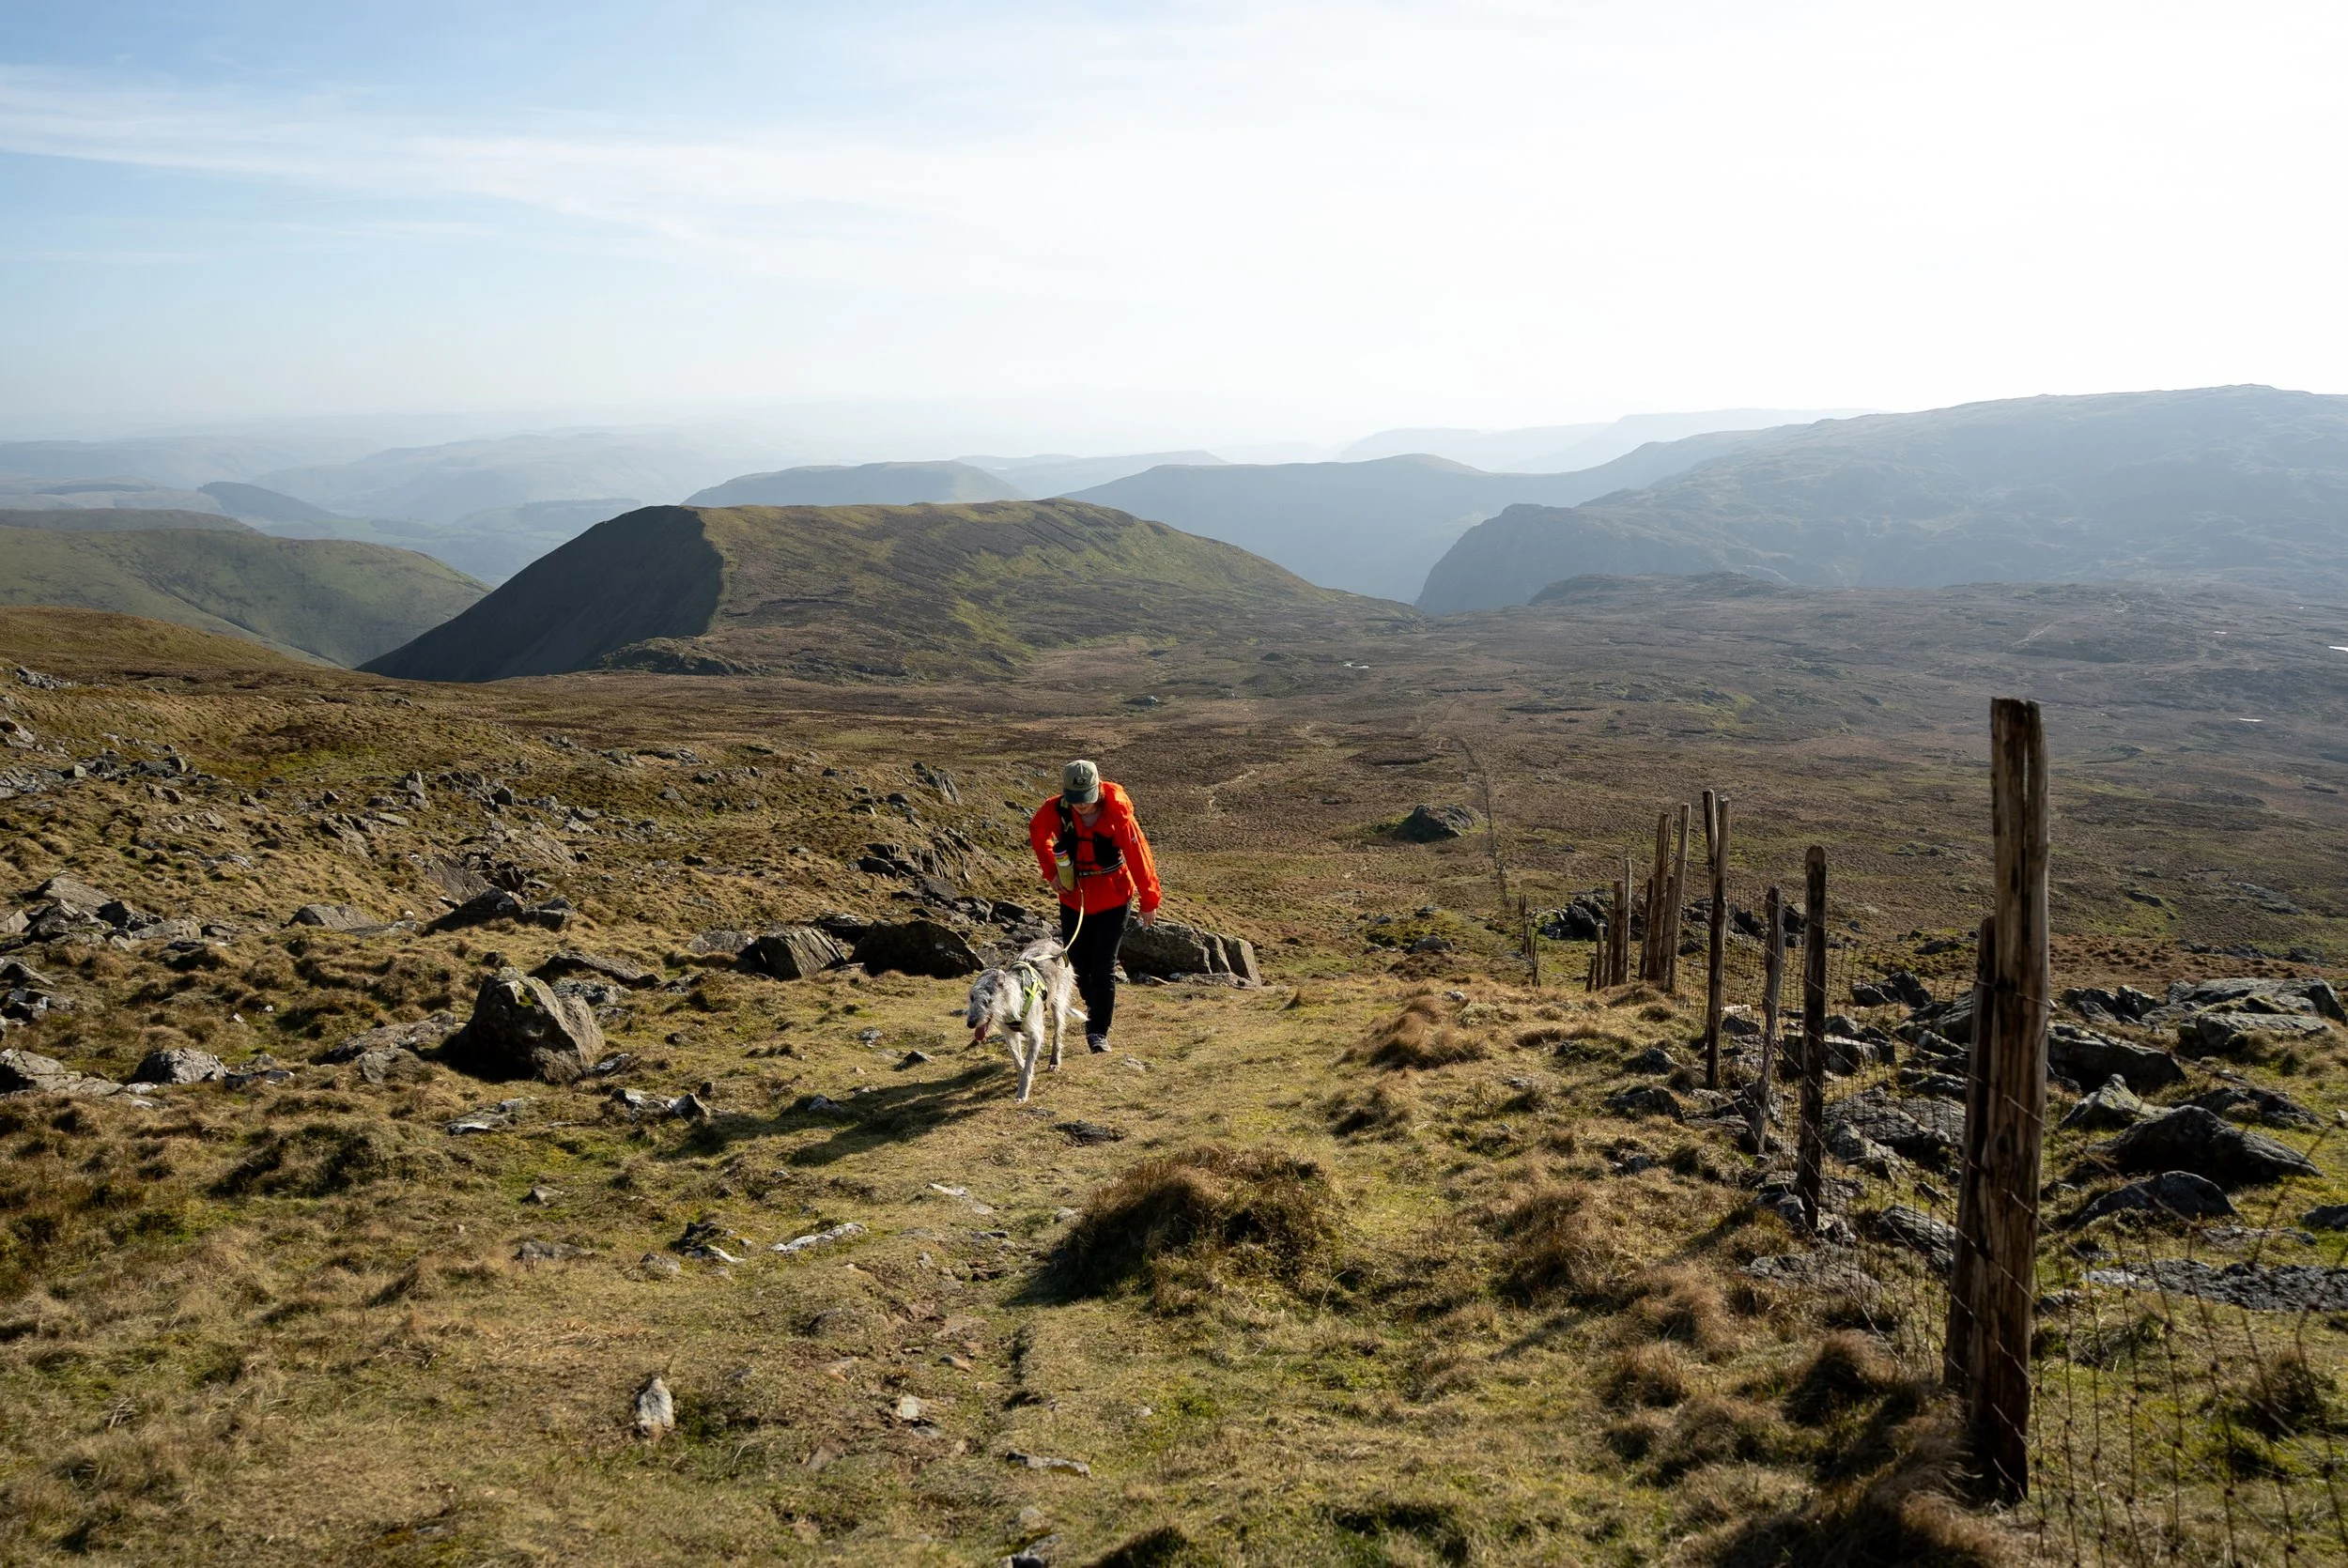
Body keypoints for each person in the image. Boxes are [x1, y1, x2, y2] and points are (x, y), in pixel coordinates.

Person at [1027, 759, 1159, 1053]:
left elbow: (1140, 857)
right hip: (1074, 899)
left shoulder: (1118, 815)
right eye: (1075, 801)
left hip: (1113, 900)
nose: (1081, 806)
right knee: (1077, 965)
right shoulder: (1055, 810)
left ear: (1097, 789)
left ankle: (1098, 1031)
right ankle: (1094, 1001)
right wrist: (1052, 873)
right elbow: (1038, 833)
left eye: (1086, 800)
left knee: (1103, 968)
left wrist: (1149, 900)